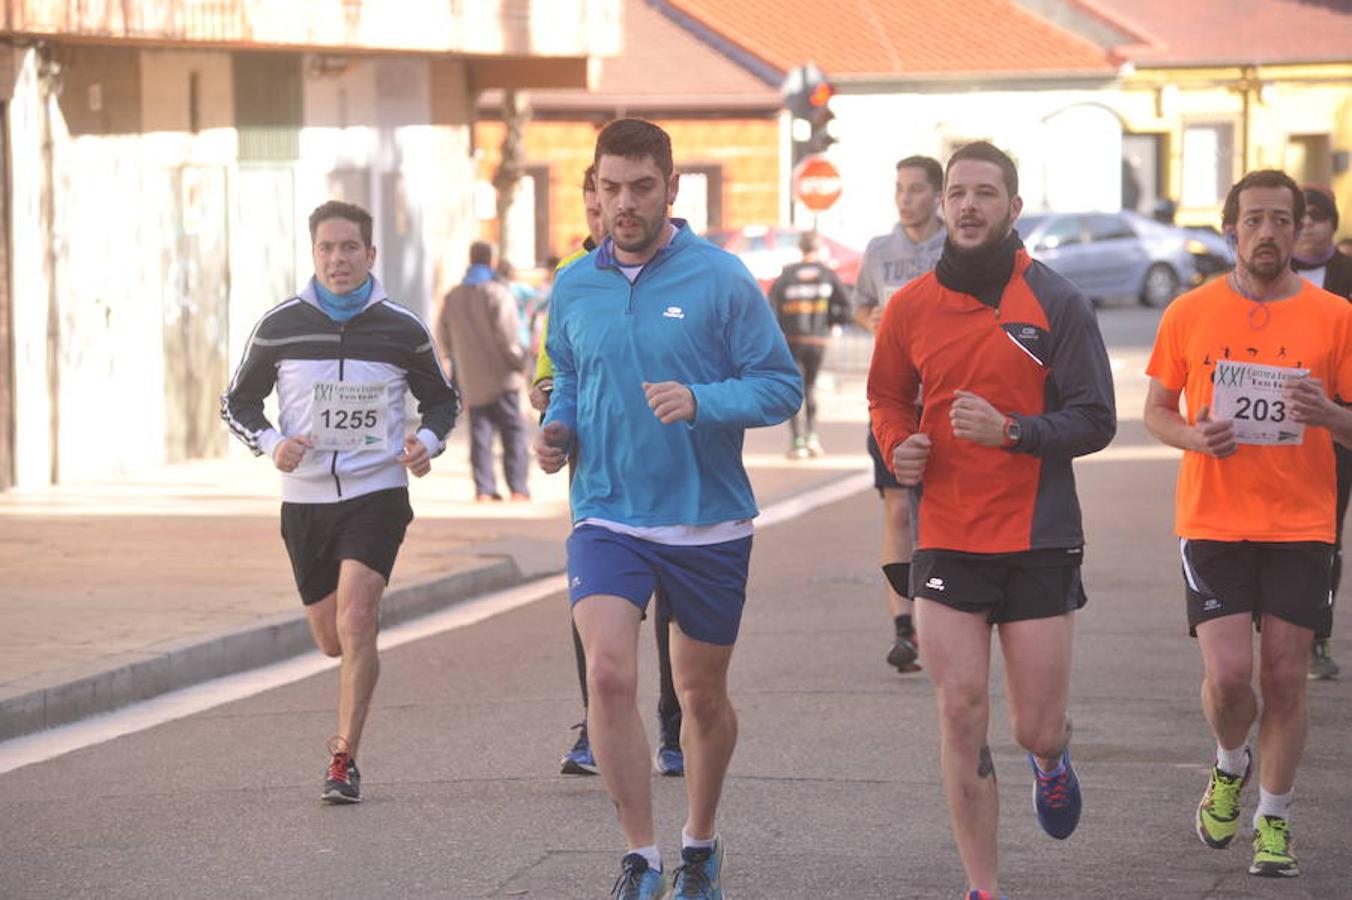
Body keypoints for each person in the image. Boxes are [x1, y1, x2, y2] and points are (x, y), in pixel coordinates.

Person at [535, 118, 800, 899]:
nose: (624, 203)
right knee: (610, 676)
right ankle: (641, 858)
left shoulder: (721, 279)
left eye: (641, 187)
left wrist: (703, 400)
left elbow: (780, 386)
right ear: (596, 188)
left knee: (700, 697)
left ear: (671, 189)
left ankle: (700, 840)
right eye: (611, 187)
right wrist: (560, 427)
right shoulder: (574, 282)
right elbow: (574, 376)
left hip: (706, 515)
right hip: (607, 512)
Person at [868, 142, 1115, 900]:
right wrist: (897, 447)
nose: (969, 205)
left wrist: (1013, 431)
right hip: (946, 535)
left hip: (1038, 537)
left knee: (1035, 725)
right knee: (959, 708)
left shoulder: (1057, 301)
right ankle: (985, 888)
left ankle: (1050, 759)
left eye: (986, 193)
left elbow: (1096, 419)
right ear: (943, 206)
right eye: (957, 193)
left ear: (1012, 208)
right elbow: (886, 399)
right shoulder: (908, 307)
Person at [1144, 169, 1352, 879]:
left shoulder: (1334, 317)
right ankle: (1230, 764)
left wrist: (1332, 417)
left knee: (1287, 678)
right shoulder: (1190, 310)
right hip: (1213, 517)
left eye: (1282, 221)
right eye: (1254, 219)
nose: (1268, 233)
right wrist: (1193, 437)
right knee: (1232, 678)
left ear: (1299, 231)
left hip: (1301, 522)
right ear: (1230, 229)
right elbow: (1157, 410)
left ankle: (1275, 818)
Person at [221, 200, 459, 804]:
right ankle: (356, 657)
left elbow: (444, 402)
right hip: (304, 502)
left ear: (370, 255)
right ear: (313, 255)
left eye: (349, 247)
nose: (338, 259)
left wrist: (426, 443)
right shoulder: (280, 326)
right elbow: (237, 403)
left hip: (377, 491)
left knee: (357, 617)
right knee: (331, 639)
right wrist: (273, 445)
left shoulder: (402, 329)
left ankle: (344, 759)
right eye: (326, 248)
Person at [532, 166, 685, 780]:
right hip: (593, 470)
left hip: (672, 472)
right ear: (590, 205)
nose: (611, 217)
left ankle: (673, 724)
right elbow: (553, 367)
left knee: (672, 608)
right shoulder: (572, 280)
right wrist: (550, 410)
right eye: (600, 205)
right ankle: (596, 725)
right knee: (593, 606)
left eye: (625, 198)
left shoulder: (683, 271)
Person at [854, 155, 947, 673]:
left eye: (915, 189)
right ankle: (902, 628)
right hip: (894, 399)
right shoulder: (878, 250)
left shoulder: (954, 247)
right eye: (899, 189)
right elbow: (860, 303)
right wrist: (874, 319)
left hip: (942, 399)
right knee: (898, 512)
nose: (905, 198)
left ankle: (945, 615)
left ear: (936, 196)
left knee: (939, 514)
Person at [1293, 185, 1352, 680]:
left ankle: (1317, 637)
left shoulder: (1347, 277)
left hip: (1339, 428)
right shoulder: (1269, 275)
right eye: (1303, 217)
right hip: (1277, 429)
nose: (1310, 225)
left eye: (1319, 217)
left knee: (1323, 538)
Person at [438, 241, 531, 503]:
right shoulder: (498, 293)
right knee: (513, 432)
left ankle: (483, 489)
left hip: (472, 378)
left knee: (480, 434)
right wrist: (519, 362)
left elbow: (443, 335)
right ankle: (518, 487)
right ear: (491, 260)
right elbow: (507, 335)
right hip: (503, 376)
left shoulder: (453, 296)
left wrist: (456, 364)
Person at [766, 230, 850, 459]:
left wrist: (778, 330)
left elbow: (769, 306)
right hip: (817, 339)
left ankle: (798, 441)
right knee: (810, 387)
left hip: (792, 340)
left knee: (795, 389)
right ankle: (812, 436)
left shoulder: (787, 274)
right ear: (818, 247)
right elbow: (846, 306)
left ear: (800, 248)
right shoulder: (827, 274)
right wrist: (831, 322)